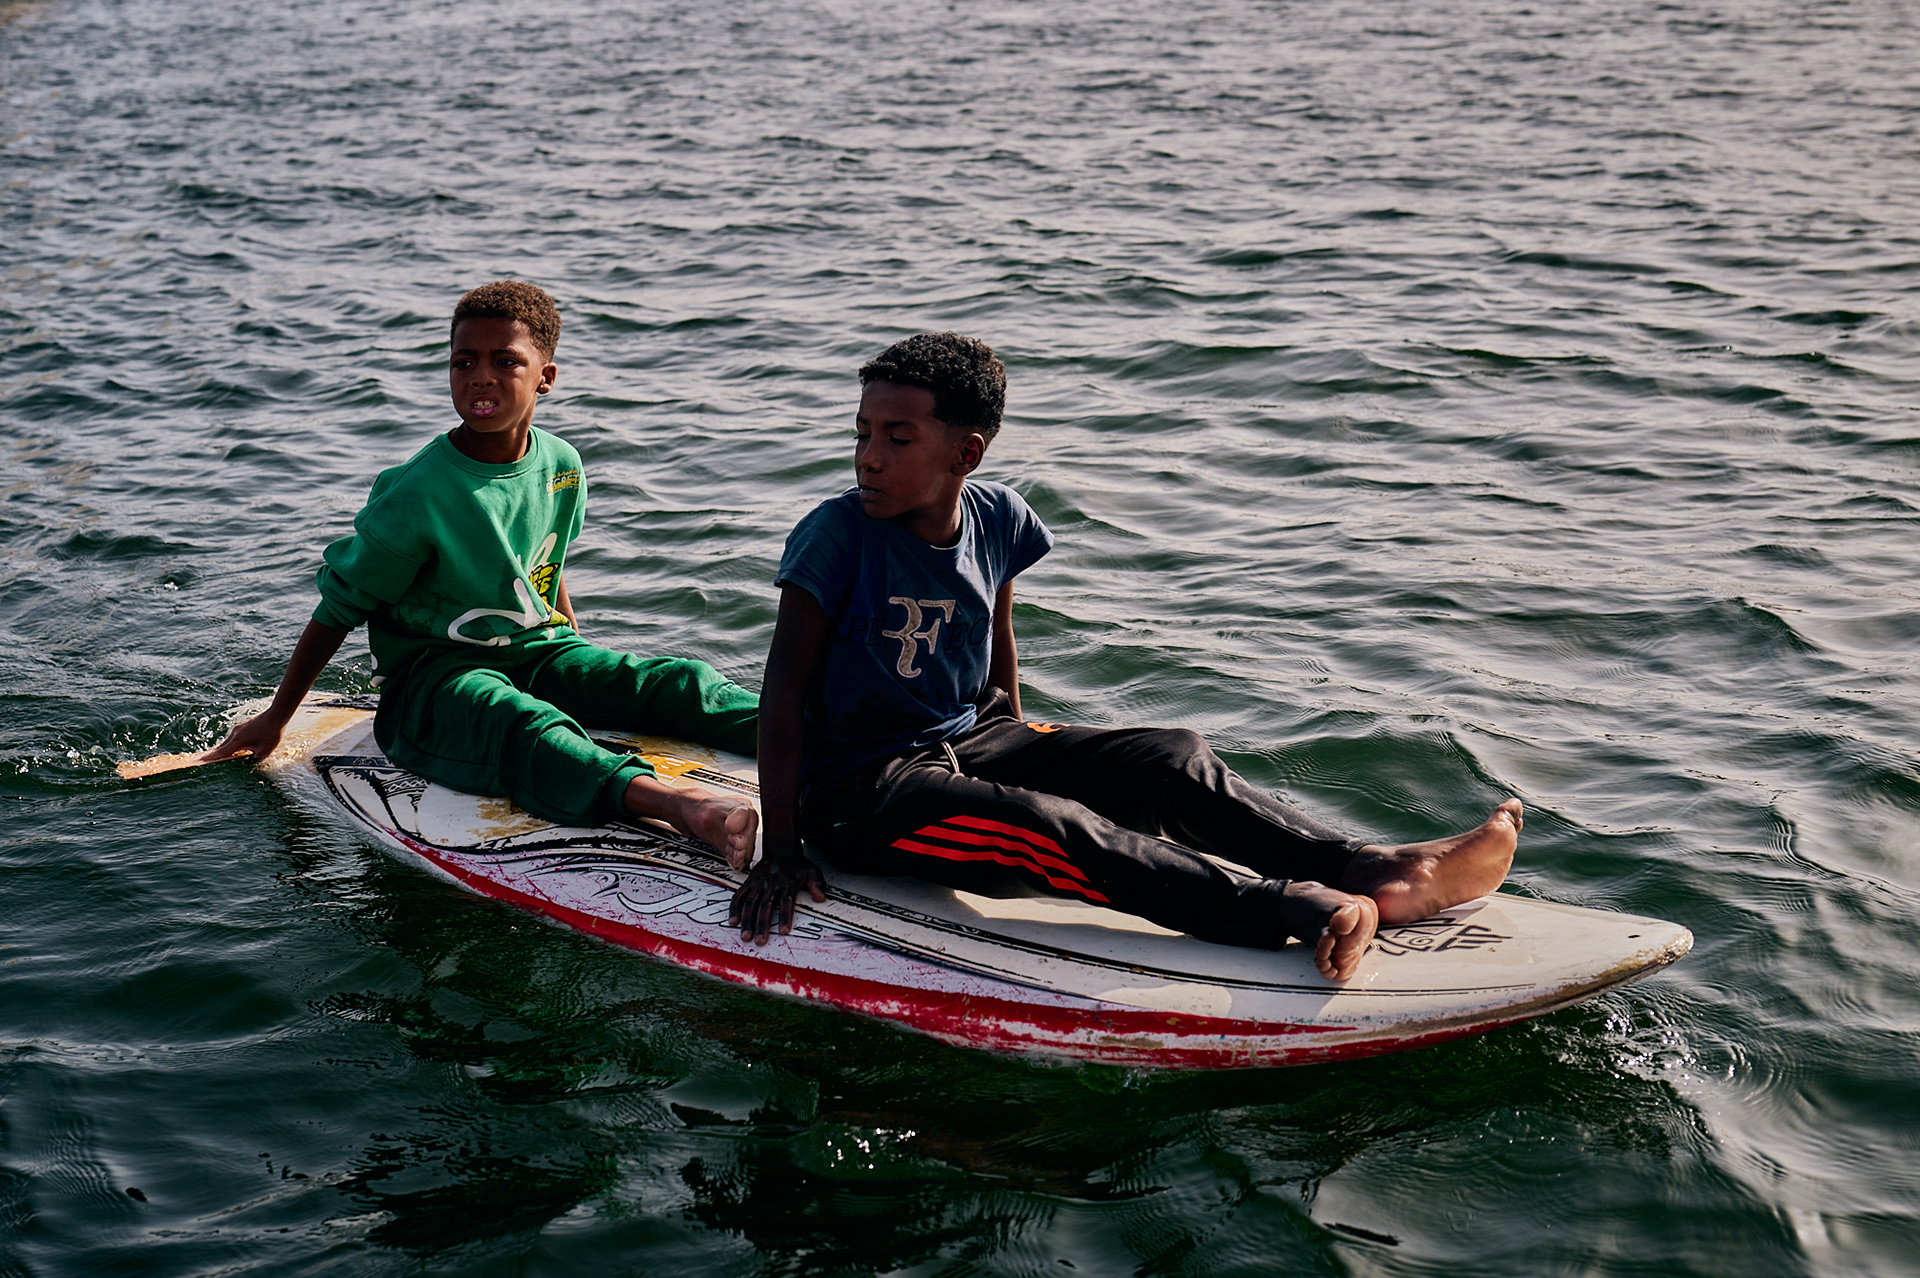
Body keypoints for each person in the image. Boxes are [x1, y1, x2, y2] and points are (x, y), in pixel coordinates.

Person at [729, 332, 1522, 980]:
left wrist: (1018, 743)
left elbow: (996, 638)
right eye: (862, 433)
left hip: (967, 739)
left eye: (896, 439)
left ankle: (1371, 869)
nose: (868, 456)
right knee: (1039, 822)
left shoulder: (1000, 517)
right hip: (860, 791)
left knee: (1167, 756)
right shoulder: (835, 535)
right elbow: (784, 692)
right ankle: (1276, 907)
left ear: (965, 455)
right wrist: (783, 850)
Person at [203, 280, 758, 865]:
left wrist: (575, 652)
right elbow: (338, 610)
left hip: (536, 651)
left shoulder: (562, 464)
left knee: (677, 681)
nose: (481, 377)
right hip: (433, 684)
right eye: (463, 362)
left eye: (505, 362)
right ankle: (682, 807)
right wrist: (277, 717)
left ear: (545, 377)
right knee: (523, 724)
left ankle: (804, 732)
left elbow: (544, 562)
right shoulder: (420, 492)